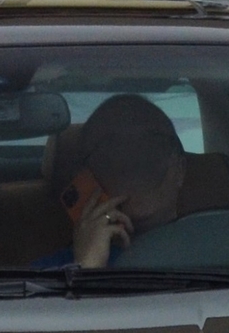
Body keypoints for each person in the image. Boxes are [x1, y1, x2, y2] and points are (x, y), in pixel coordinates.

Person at [40, 95, 189, 269]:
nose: (135, 163)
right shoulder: (42, 279)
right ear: (85, 180)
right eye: (113, 153)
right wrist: (86, 268)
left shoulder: (218, 250)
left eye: (151, 150)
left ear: (180, 169)